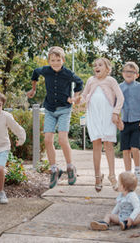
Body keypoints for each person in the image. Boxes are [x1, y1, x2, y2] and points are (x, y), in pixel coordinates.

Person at [26, 46, 83, 189]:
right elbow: (35, 72)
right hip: (50, 109)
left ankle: (70, 167)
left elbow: (79, 82)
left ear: (63, 60)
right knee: (47, 139)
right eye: (53, 60)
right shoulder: (45, 70)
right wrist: (33, 89)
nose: (56, 63)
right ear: (49, 61)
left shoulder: (68, 73)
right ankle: (54, 169)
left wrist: (75, 97)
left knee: (63, 139)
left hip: (64, 109)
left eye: (58, 60)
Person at [80, 57, 124, 192]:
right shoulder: (90, 80)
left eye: (100, 65)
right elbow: (84, 95)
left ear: (107, 68)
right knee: (96, 145)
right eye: (95, 65)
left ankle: (112, 175)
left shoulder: (111, 81)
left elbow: (120, 97)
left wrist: (116, 113)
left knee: (108, 145)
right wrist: (78, 99)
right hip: (93, 116)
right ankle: (98, 176)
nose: (96, 67)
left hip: (108, 116)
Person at [119, 62, 140, 185]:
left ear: (136, 75)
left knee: (135, 148)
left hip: (137, 121)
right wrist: (117, 120)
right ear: (123, 73)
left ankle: (137, 170)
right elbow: (115, 103)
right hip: (123, 122)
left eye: (131, 72)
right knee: (126, 150)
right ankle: (127, 173)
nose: (128, 73)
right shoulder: (119, 87)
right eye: (126, 71)